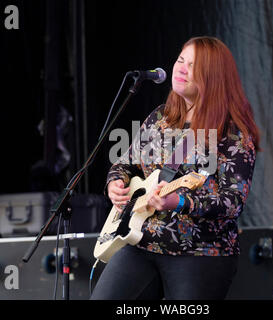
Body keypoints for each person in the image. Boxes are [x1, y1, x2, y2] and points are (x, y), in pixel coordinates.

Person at [90, 36, 260, 300]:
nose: (181, 68)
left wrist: (180, 201)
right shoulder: (160, 117)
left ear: (212, 77)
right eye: (181, 60)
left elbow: (232, 202)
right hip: (141, 243)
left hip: (199, 254)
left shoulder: (234, 133)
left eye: (192, 66)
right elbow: (125, 163)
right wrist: (116, 182)